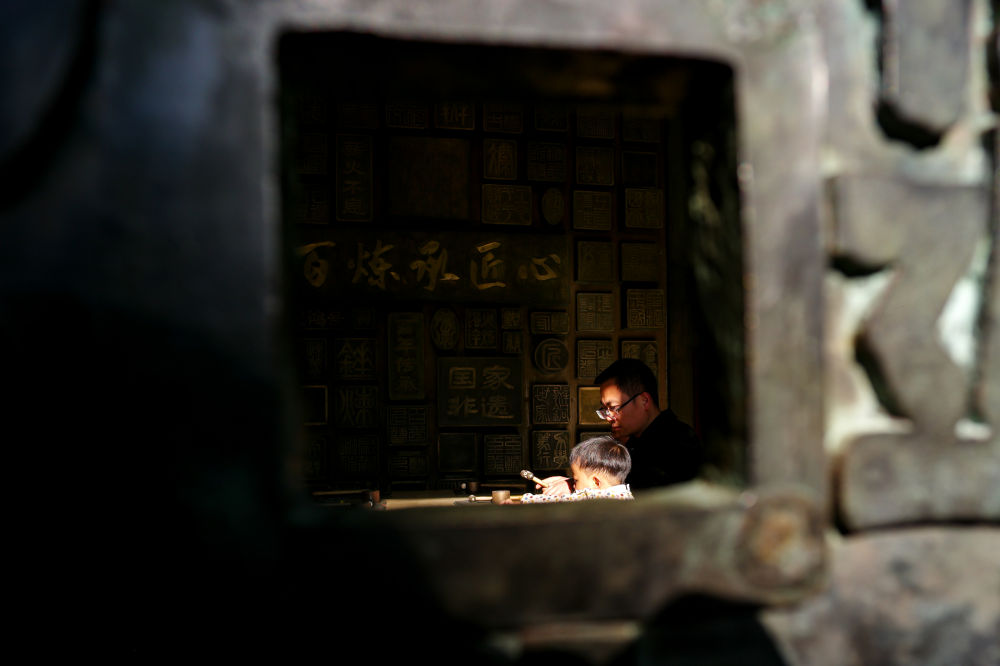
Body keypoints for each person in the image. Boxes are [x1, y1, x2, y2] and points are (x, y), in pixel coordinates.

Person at [593, 358, 702, 490]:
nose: (609, 418)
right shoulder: (633, 442)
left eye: (614, 408)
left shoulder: (677, 441)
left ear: (644, 401)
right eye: (605, 410)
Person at [520, 435, 634, 503]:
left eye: (576, 480)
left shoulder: (593, 497)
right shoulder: (627, 495)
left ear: (596, 482)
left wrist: (523, 500)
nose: (573, 485)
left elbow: (557, 502)